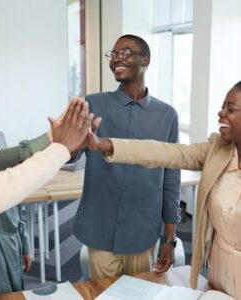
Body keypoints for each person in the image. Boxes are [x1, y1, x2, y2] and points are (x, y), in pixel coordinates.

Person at [91, 81, 241, 299]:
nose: (221, 113)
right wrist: (106, 144)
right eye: (222, 106)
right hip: (219, 268)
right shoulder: (217, 149)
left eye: (231, 108)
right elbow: (164, 152)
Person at [0, 97, 90, 300]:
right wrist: (51, 137)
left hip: (10, 243)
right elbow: (1, 163)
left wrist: (24, 243)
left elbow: (12, 203)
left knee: (13, 294)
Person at [72, 34, 181, 279]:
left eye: (126, 53)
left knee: (140, 294)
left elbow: (171, 179)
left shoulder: (167, 116)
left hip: (142, 232)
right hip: (99, 228)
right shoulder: (92, 104)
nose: (116, 59)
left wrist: (170, 238)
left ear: (146, 60)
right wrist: (71, 143)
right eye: (113, 53)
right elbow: (72, 154)